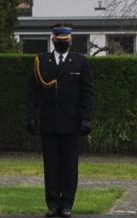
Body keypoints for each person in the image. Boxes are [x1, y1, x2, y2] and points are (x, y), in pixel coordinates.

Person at [26, 25, 95, 218]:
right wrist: (31, 116)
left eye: (65, 40)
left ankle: (66, 205)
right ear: (52, 40)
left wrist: (86, 118)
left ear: (70, 41)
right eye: (59, 40)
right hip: (48, 122)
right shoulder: (41, 61)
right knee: (51, 166)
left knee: (69, 166)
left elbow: (87, 93)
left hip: (71, 123)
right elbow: (32, 91)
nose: (62, 42)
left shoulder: (80, 63)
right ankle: (52, 203)